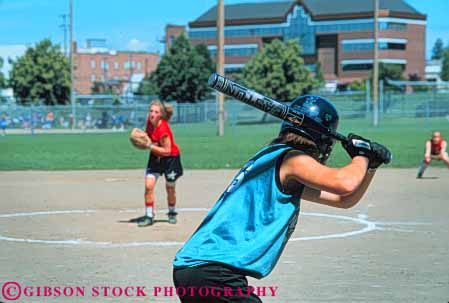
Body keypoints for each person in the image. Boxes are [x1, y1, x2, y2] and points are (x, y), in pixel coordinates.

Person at [172, 95, 391, 303]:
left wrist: (370, 166)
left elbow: (343, 199)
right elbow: (345, 182)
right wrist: (361, 155)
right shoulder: (292, 159)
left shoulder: (279, 164)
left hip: (199, 271)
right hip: (213, 272)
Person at [137, 100, 183, 227]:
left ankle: (172, 213)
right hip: (156, 157)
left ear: (161, 115)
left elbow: (167, 151)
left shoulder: (163, 129)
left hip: (170, 159)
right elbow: (148, 137)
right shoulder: (149, 122)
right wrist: (142, 139)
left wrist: (149, 146)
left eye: (156, 112)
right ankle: (149, 216)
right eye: (151, 111)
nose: (152, 114)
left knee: (170, 188)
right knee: (148, 186)